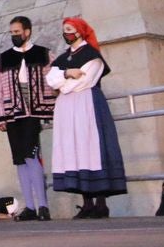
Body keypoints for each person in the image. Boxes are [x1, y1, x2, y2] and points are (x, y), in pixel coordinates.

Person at [46, 17, 126, 218]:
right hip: (67, 108)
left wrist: (63, 84)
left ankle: (100, 203)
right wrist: (67, 75)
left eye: (70, 29)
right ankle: (87, 202)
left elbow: (86, 81)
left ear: (80, 32)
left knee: (90, 147)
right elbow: (50, 79)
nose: (67, 33)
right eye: (64, 30)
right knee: (74, 150)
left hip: (86, 104)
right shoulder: (63, 59)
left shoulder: (92, 55)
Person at [0, 15, 56, 221]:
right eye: (11, 33)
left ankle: (43, 205)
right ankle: (30, 205)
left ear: (27, 31)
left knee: (31, 156)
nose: (14, 36)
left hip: (34, 113)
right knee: (19, 160)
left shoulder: (44, 54)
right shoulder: (4, 58)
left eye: (17, 32)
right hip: (12, 114)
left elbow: (54, 80)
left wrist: (53, 105)